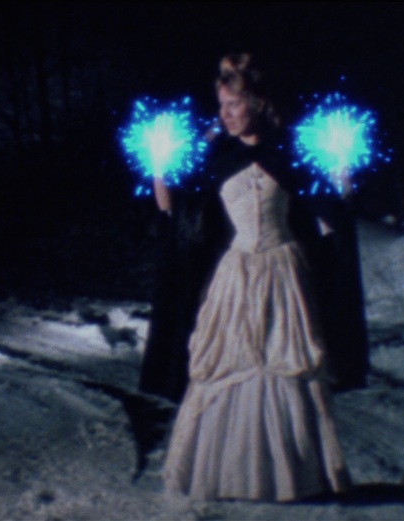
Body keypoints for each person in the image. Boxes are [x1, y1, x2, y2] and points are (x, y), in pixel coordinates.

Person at [149, 52, 354, 502]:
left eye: (233, 104)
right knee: (230, 360)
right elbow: (183, 219)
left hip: (284, 268)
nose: (224, 114)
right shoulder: (216, 158)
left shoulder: (289, 155)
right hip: (237, 271)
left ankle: (293, 476)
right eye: (221, 105)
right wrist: (161, 180)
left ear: (257, 103)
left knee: (284, 358)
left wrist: (339, 196)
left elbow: (326, 219)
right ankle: (225, 473)